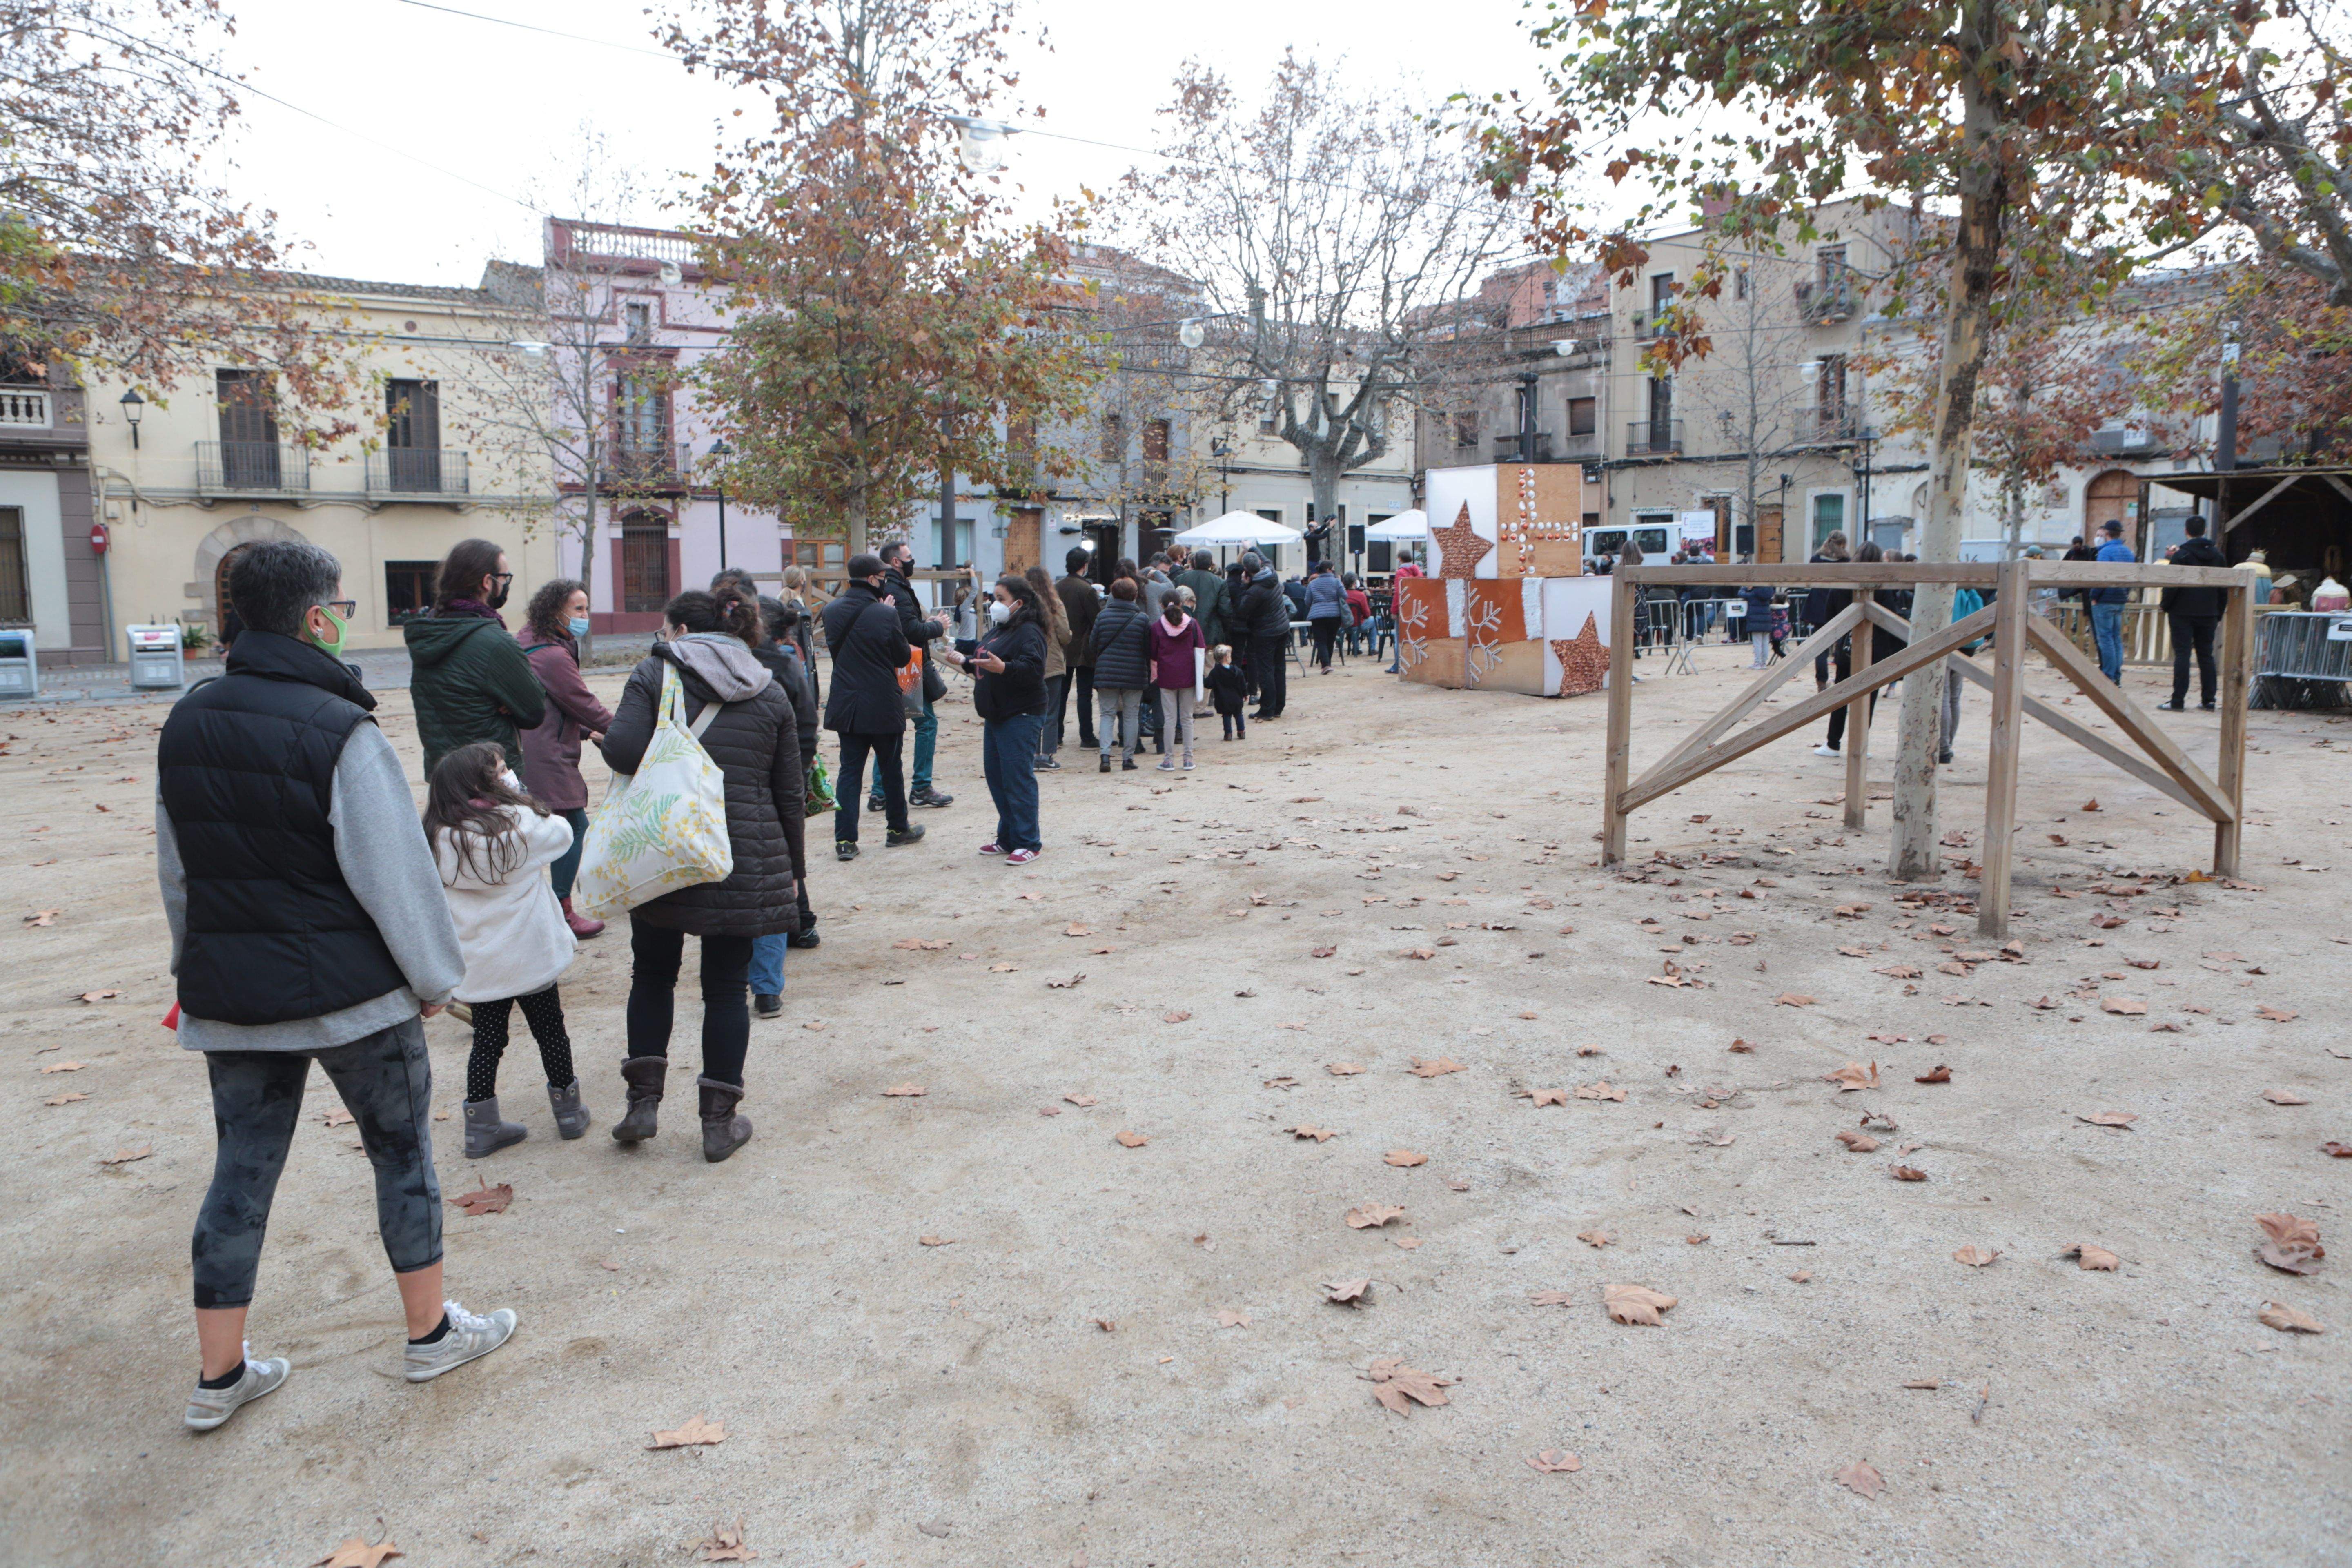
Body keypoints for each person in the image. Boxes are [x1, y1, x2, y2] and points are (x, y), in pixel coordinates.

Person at [158, 539, 510, 1432]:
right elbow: (393, 872)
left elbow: (180, 876)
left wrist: (194, 969)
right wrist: (435, 977)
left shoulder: (187, 721)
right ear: (317, 619)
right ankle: (429, 1333)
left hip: (235, 997)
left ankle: (218, 1374)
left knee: (240, 1174)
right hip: (355, 997)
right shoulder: (339, 729)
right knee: (402, 1159)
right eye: (343, 608)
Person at [598, 586, 804, 1162]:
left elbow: (621, 751)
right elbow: (788, 790)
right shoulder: (770, 688)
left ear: (683, 631)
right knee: (726, 989)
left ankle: (642, 1104)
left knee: (653, 975)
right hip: (742, 855)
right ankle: (719, 1125)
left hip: (663, 848)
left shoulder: (655, 675)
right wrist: (794, 870)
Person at [424, 741, 586, 1155]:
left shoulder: (440, 836)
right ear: (487, 784)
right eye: (501, 772)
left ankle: (481, 1127)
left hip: (483, 958)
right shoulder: (518, 825)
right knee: (551, 1031)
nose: (509, 774)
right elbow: (563, 834)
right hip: (530, 951)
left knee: (488, 1039)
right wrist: (521, 799)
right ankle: (568, 1112)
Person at [516, 578, 615, 940]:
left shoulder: (531, 640)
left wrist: (589, 734)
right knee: (574, 829)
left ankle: (543, 909)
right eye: (578, 609)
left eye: (586, 608)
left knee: (544, 832)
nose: (585, 616)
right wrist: (626, 732)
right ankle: (560, 910)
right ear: (555, 610)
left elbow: (552, 701)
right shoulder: (554, 655)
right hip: (547, 753)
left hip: (533, 745)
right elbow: (582, 703)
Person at [403, 538, 546, 777]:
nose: (506, 584)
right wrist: (508, 701)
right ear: (487, 582)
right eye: (504, 577)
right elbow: (533, 712)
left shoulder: (430, 632)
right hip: (491, 779)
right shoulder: (494, 641)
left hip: (445, 779)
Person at [745, 591, 823, 1014]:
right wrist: (799, 770)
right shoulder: (787, 668)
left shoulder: (721, 665)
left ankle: (741, 977)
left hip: (733, 787)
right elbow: (807, 726)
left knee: (734, 883)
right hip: (779, 785)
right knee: (780, 876)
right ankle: (768, 987)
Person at [820, 554, 923, 861]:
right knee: (891, 768)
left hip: (847, 703)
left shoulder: (831, 609)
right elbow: (901, 657)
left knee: (849, 772)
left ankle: (846, 841)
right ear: (871, 579)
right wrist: (888, 618)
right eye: (883, 577)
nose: (886, 582)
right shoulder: (884, 613)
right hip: (881, 702)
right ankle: (897, 830)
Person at [940, 572, 1049, 862]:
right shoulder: (1001, 629)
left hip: (1021, 714)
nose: (995, 604)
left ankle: (1029, 842)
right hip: (996, 714)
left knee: (1017, 780)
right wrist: (965, 661)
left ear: (1019, 603)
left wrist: (1004, 668)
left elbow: (1032, 671)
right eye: (994, 599)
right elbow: (984, 666)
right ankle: (1008, 836)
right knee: (998, 779)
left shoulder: (1029, 631)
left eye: (1001, 599)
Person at [868, 539, 955, 813]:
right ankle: (921, 787)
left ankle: (880, 793)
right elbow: (910, 632)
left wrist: (925, 624)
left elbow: (905, 626)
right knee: (926, 724)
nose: (912, 561)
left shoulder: (890, 587)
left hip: (894, 669)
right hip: (908, 669)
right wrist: (937, 627)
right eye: (909, 556)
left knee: (893, 730)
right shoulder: (899, 590)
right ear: (896, 562)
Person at [1821, 541, 1902, 755]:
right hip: (1876, 650)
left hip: (1847, 648)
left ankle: (1833, 743)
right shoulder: (1883, 585)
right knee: (1869, 697)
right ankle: (1860, 745)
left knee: (1841, 695)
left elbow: (1830, 614)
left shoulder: (1844, 581)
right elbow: (1891, 619)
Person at [2159, 513, 2228, 711]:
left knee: (2182, 655)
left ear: (2186, 531)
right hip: (2209, 612)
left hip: (2182, 612)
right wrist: (2219, 612)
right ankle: (2209, 700)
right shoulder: (2218, 556)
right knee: (2206, 655)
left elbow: (2172, 585)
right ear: (2205, 531)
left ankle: (2178, 700)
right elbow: (2223, 588)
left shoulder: (2181, 556)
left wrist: (2166, 604)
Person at [1088, 576, 1152, 771]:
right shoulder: (1142, 619)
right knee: (1132, 716)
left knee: (1107, 714)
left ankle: (1105, 757)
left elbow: (1093, 645)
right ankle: (1128, 759)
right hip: (1134, 673)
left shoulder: (1103, 616)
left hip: (1106, 673)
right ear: (1135, 595)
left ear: (1113, 595)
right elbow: (1148, 648)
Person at [1149, 588, 1207, 770]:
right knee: (1188, 718)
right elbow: (1201, 648)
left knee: (1170, 719)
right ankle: (1188, 759)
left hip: (1166, 678)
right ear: (1182, 604)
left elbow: (1152, 654)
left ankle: (1168, 760)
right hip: (1188, 677)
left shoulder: (1157, 627)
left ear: (1161, 606)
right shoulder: (1193, 624)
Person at [1025, 563, 1072, 771]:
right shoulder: (1055, 605)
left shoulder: (1023, 605)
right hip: (1052, 661)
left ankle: (1033, 754)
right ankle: (1047, 755)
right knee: (1051, 711)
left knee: (1031, 709)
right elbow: (1065, 634)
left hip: (1028, 662)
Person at [1056, 549, 1101, 751]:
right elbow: (1097, 620)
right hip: (1084, 648)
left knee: (1060, 694)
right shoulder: (1087, 590)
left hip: (1061, 647)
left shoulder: (1057, 588)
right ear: (1085, 565)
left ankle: (1056, 735)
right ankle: (1087, 736)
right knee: (1084, 695)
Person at [1238, 552, 1291, 719]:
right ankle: (1278, 707)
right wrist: (1252, 547)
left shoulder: (1255, 590)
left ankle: (1268, 709)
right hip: (1282, 627)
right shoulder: (1271, 572)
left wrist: (1244, 585)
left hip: (1266, 632)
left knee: (1266, 670)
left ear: (1246, 570)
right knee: (1279, 668)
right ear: (1260, 564)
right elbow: (1265, 558)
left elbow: (1242, 611)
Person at [2090, 519, 2135, 684]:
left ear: (2107, 534)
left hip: (2105, 600)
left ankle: (2108, 675)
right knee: (2116, 638)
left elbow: (2101, 578)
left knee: (2106, 639)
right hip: (2120, 599)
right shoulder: (2128, 552)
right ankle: (2116, 675)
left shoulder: (2105, 552)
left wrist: (2094, 596)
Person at [1177, 550, 1228, 650]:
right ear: (1211, 563)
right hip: (1211, 634)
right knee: (1209, 664)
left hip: (1184, 630)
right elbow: (1225, 610)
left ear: (1194, 562)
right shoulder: (1220, 583)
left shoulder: (1180, 579)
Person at [1304, 559, 1346, 671]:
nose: (1334, 571)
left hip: (1317, 615)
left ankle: (1325, 665)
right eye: (1333, 569)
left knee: (1320, 640)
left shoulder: (1312, 584)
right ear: (1328, 570)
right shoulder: (1337, 582)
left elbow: (1308, 601)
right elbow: (1344, 596)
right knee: (1331, 639)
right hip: (1334, 614)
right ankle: (1329, 663)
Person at [1207, 645, 1249, 739]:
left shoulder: (1215, 672)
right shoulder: (1237, 671)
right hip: (1237, 699)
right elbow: (1243, 684)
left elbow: (1209, 684)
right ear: (1227, 657)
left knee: (1226, 716)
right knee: (1239, 715)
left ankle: (1228, 734)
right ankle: (1241, 732)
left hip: (1223, 699)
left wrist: (1202, 679)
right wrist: (1245, 694)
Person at [1740, 578, 1777, 668]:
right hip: (1767, 620)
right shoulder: (1769, 593)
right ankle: (1764, 663)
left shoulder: (1753, 594)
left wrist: (1745, 588)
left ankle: (1757, 662)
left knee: (1757, 643)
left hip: (1755, 620)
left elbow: (1741, 594)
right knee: (1765, 643)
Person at [1139, 552, 1176, 619]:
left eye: (1166, 574)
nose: (1163, 577)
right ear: (1151, 569)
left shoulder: (1161, 588)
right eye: (1162, 573)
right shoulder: (1142, 585)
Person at [1342, 574, 1372, 654]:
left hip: (1343, 625)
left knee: (1356, 621)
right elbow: (1367, 614)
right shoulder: (1361, 595)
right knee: (1373, 621)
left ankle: (1356, 647)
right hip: (1357, 625)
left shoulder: (1341, 595)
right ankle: (1372, 648)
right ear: (1354, 584)